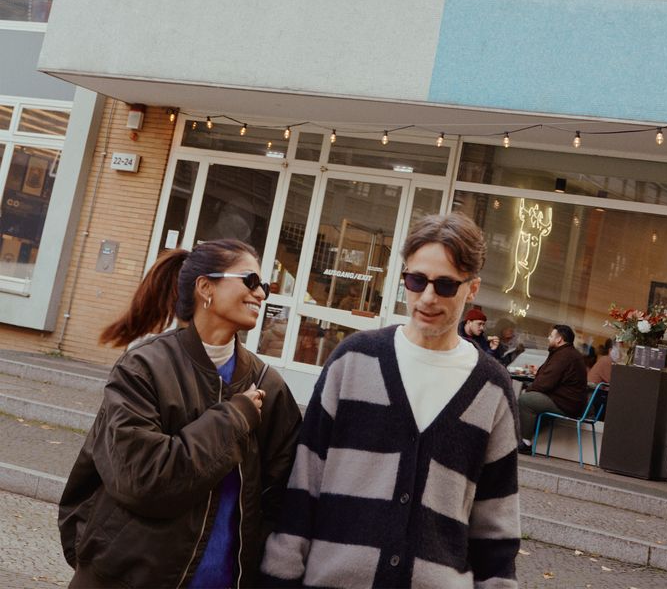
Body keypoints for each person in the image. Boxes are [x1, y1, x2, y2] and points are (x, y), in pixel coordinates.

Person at [261, 212, 521, 588]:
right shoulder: (353, 360)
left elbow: (496, 528)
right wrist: (279, 576)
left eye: (445, 285)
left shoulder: (492, 387)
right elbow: (304, 485)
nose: (427, 297)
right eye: (416, 280)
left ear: (472, 288)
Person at [59, 239, 301, 589]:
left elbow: (282, 495)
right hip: (126, 579)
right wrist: (234, 419)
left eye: (265, 285)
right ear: (206, 287)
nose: (261, 293)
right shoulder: (144, 367)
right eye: (250, 281)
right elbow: (143, 478)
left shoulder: (267, 385)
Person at [517, 324, 588, 453]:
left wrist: (529, 389)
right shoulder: (567, 353)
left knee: (526, 400)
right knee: (530, 397)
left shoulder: (564, 356)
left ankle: (525, 442)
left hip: (566, 404)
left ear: (559, 339)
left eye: (551, 336)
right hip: (567, 401)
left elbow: (545, 383)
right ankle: (519, 437)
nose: (548, 338)